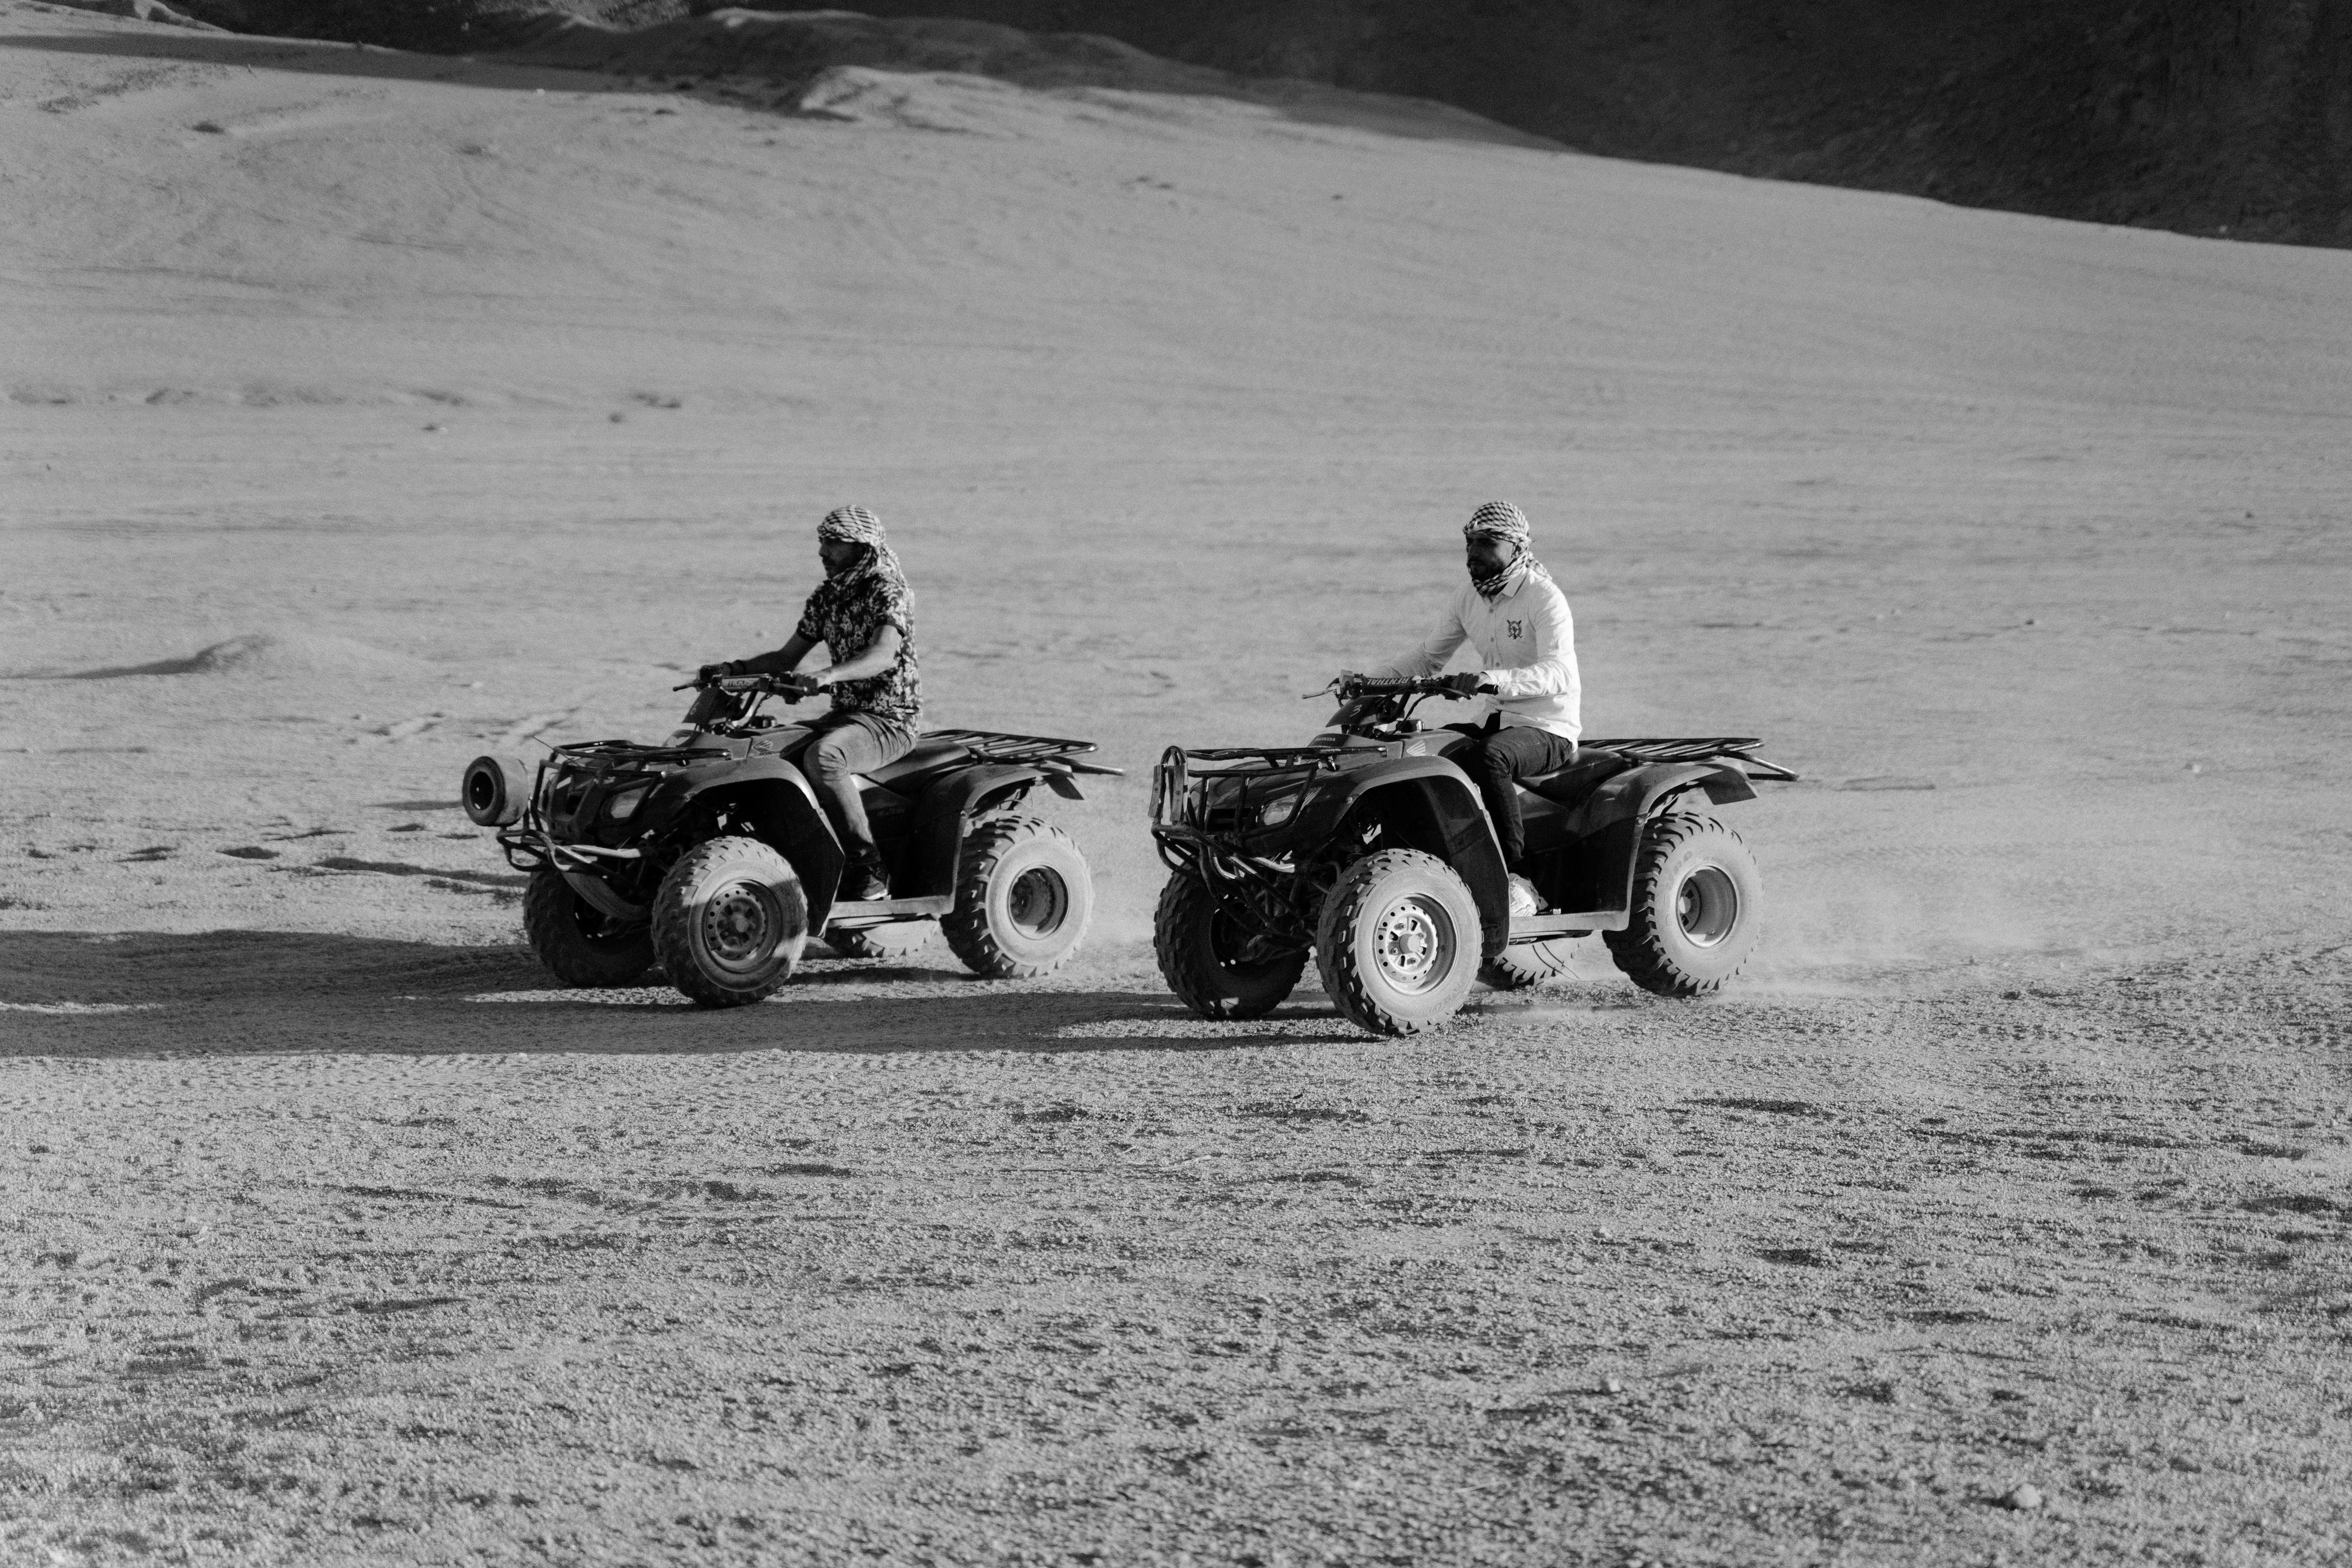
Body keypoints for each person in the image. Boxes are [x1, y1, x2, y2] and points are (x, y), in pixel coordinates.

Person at [1351, 500, 1580, 914]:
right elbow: (1427, 658)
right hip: (1492, 720)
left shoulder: (1544, 598)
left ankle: (1519, 880)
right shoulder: (1467, 599)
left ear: (1516, 547)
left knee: (1490, 758)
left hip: (1548, 727)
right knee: (1418, 751)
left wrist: (1492, 680)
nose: (1473, 552)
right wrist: (1369, 684)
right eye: (1470, 542)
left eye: (1486, 543)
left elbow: (1559, 673)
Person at [702, 505, 921, 902]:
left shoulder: (889, 591)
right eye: (822, 541)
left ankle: (868, 866)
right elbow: (786, 658)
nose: (823, 550)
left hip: (889, 720)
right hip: (843, 716)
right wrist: (728, 669)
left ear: (862, 547)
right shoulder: (827, 597)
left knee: (826, 758)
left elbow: (883, 655)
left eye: (834, 542)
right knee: (763, 752)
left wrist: (828, 676)